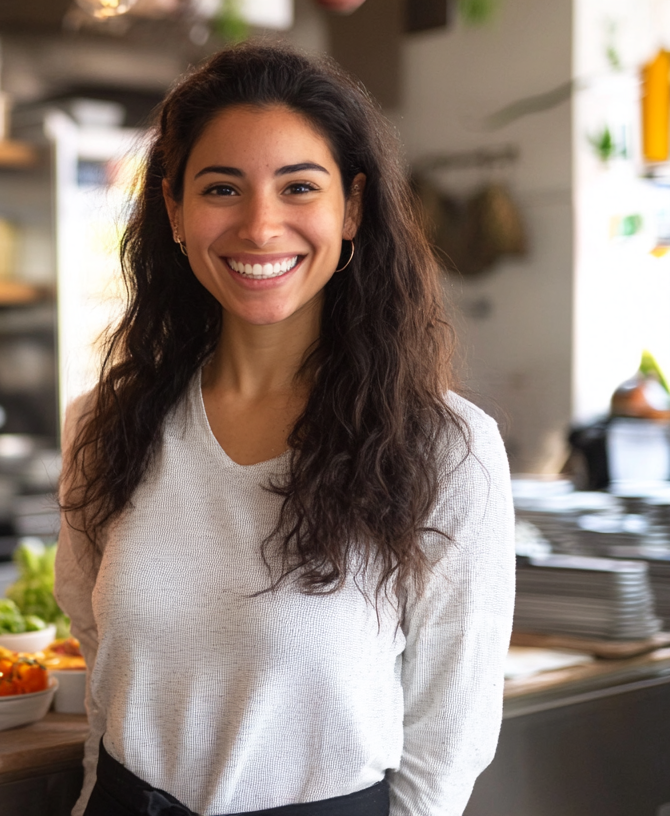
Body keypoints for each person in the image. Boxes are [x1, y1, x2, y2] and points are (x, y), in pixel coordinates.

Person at [54, 43, 515, 816]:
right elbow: (103, 666)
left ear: (352, 207)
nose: (261, 226)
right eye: (221, 189)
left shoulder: (444, 450)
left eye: (299, 186)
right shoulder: (105, 423)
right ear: (175, 210)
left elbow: (449, 735)